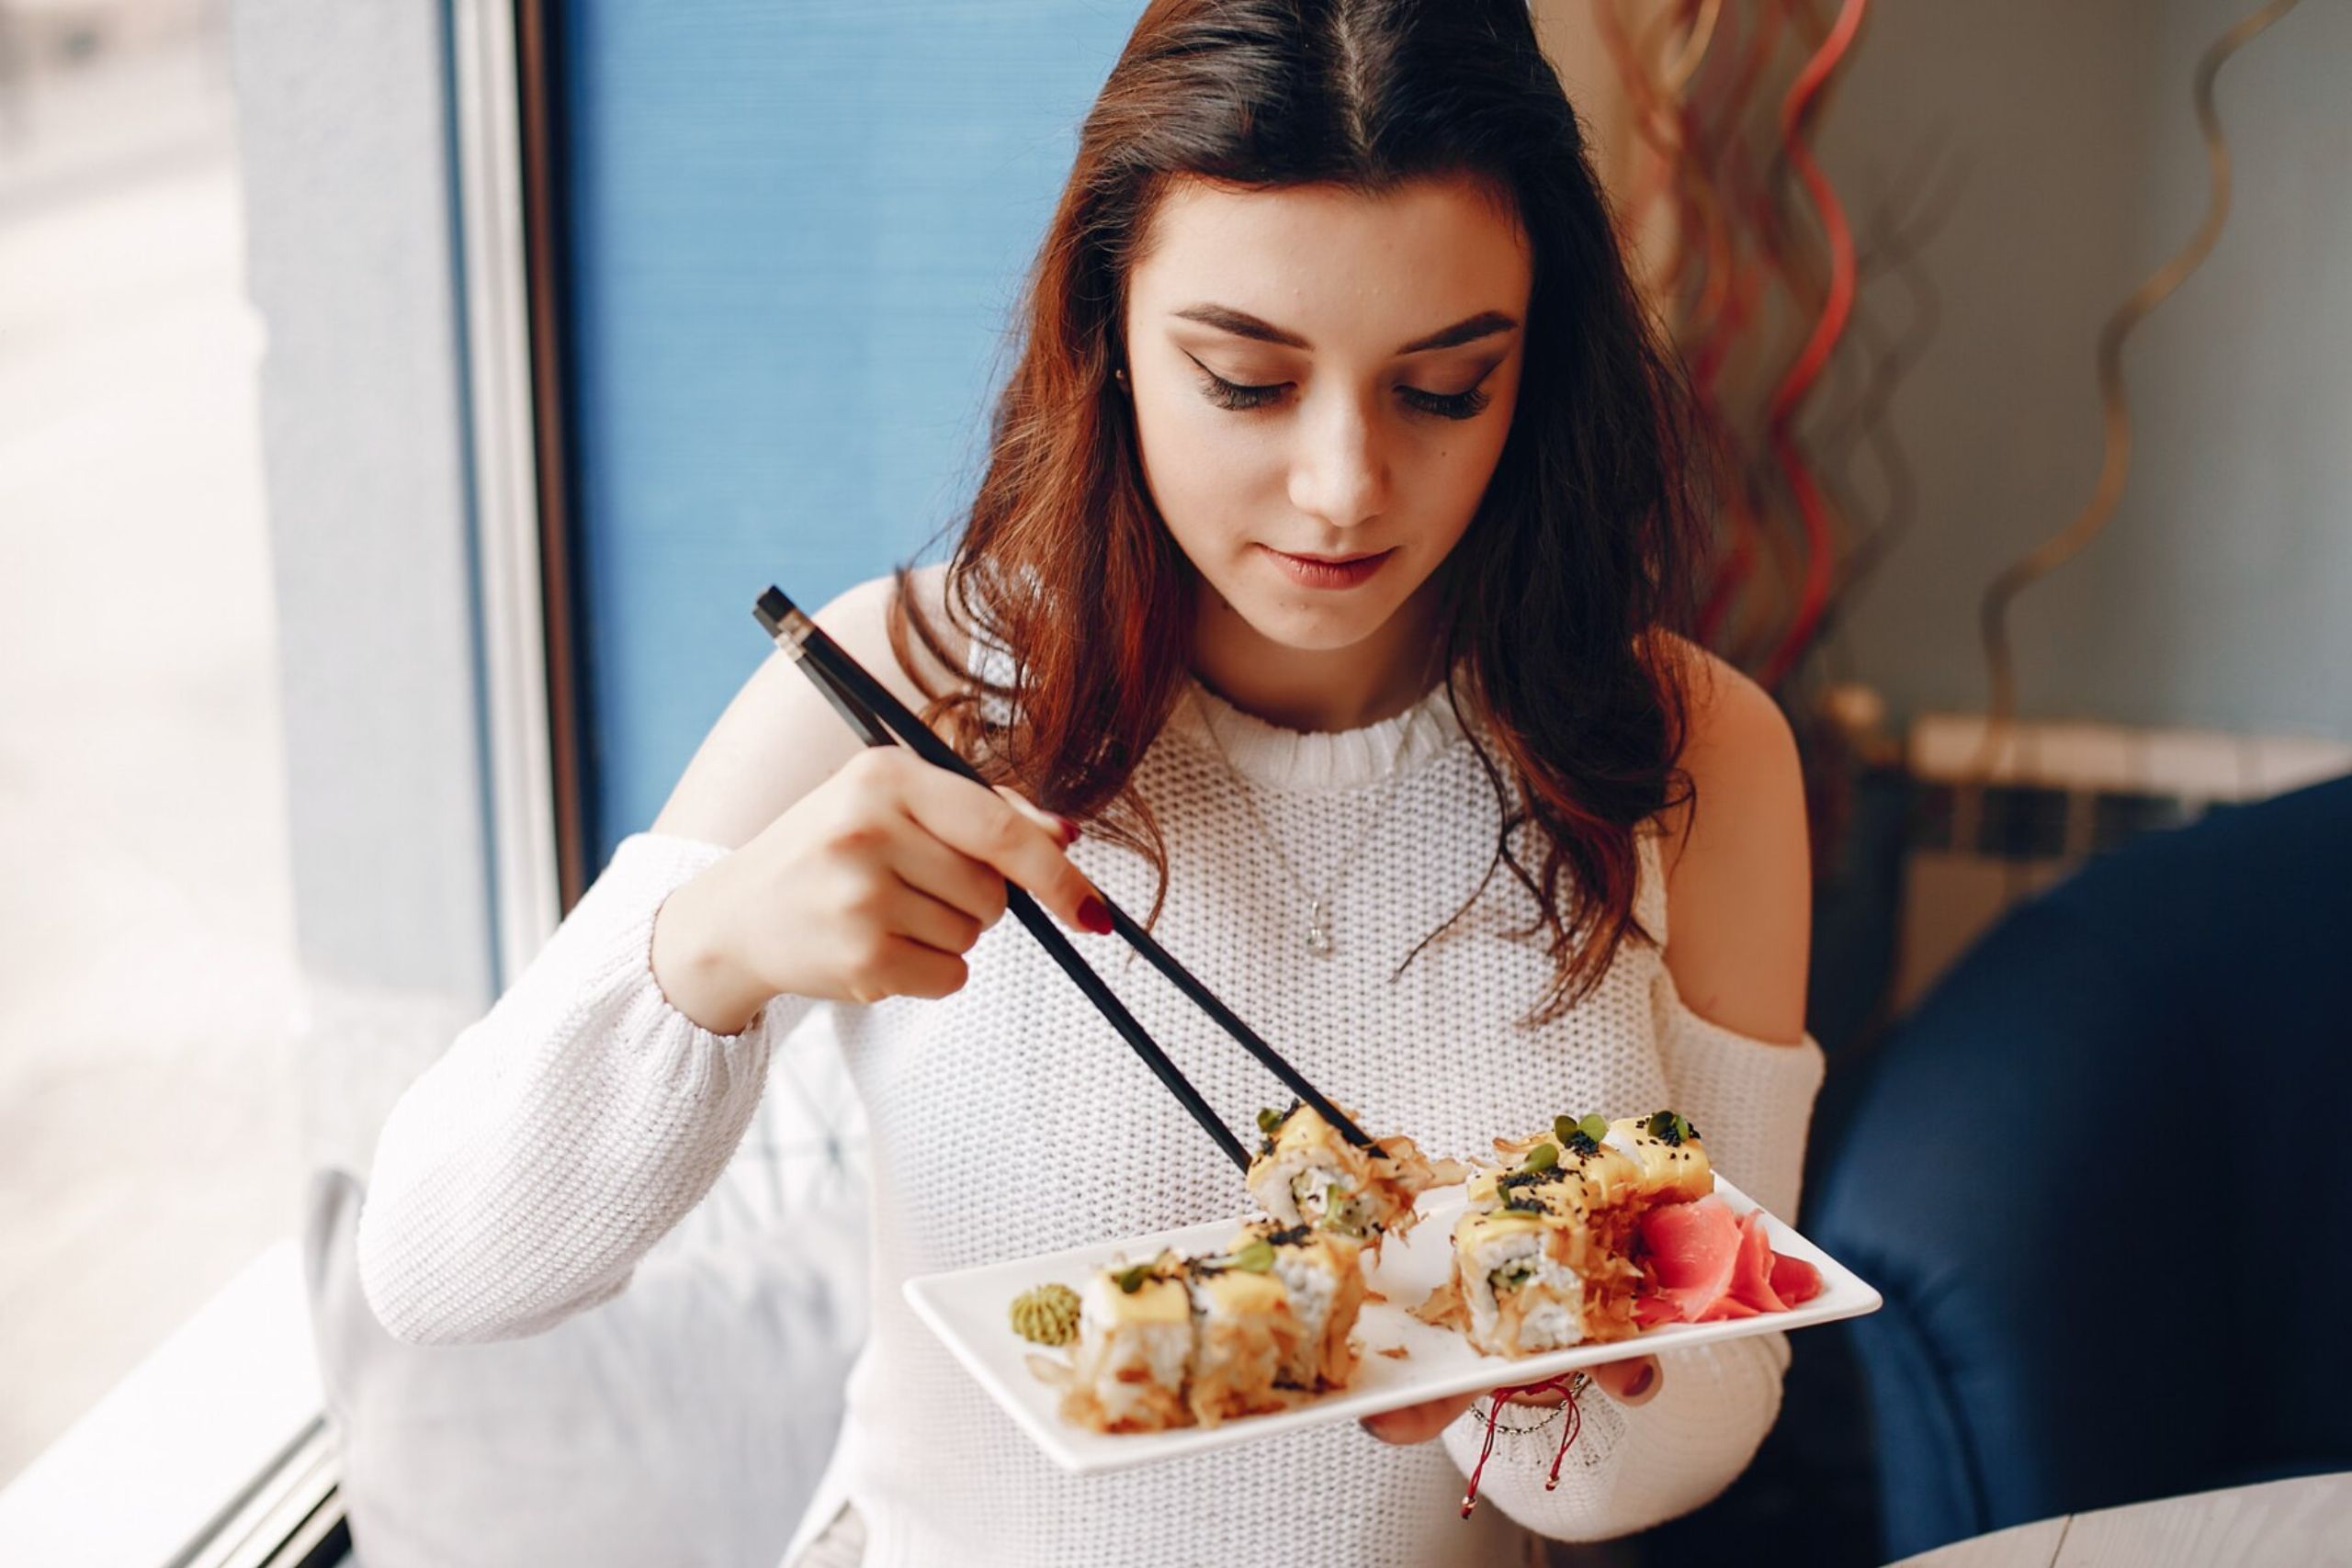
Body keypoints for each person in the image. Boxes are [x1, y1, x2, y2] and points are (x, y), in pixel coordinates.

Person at [355, 1, 1824, 1563]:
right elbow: (436, 1268)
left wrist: (1495, 1358)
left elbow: (1696, 1418)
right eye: (1247, 383)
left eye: (1445, 388)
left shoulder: (1691, 754)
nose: (1344, 485)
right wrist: (707, 952)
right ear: (1107, 331)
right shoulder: (911, 686)